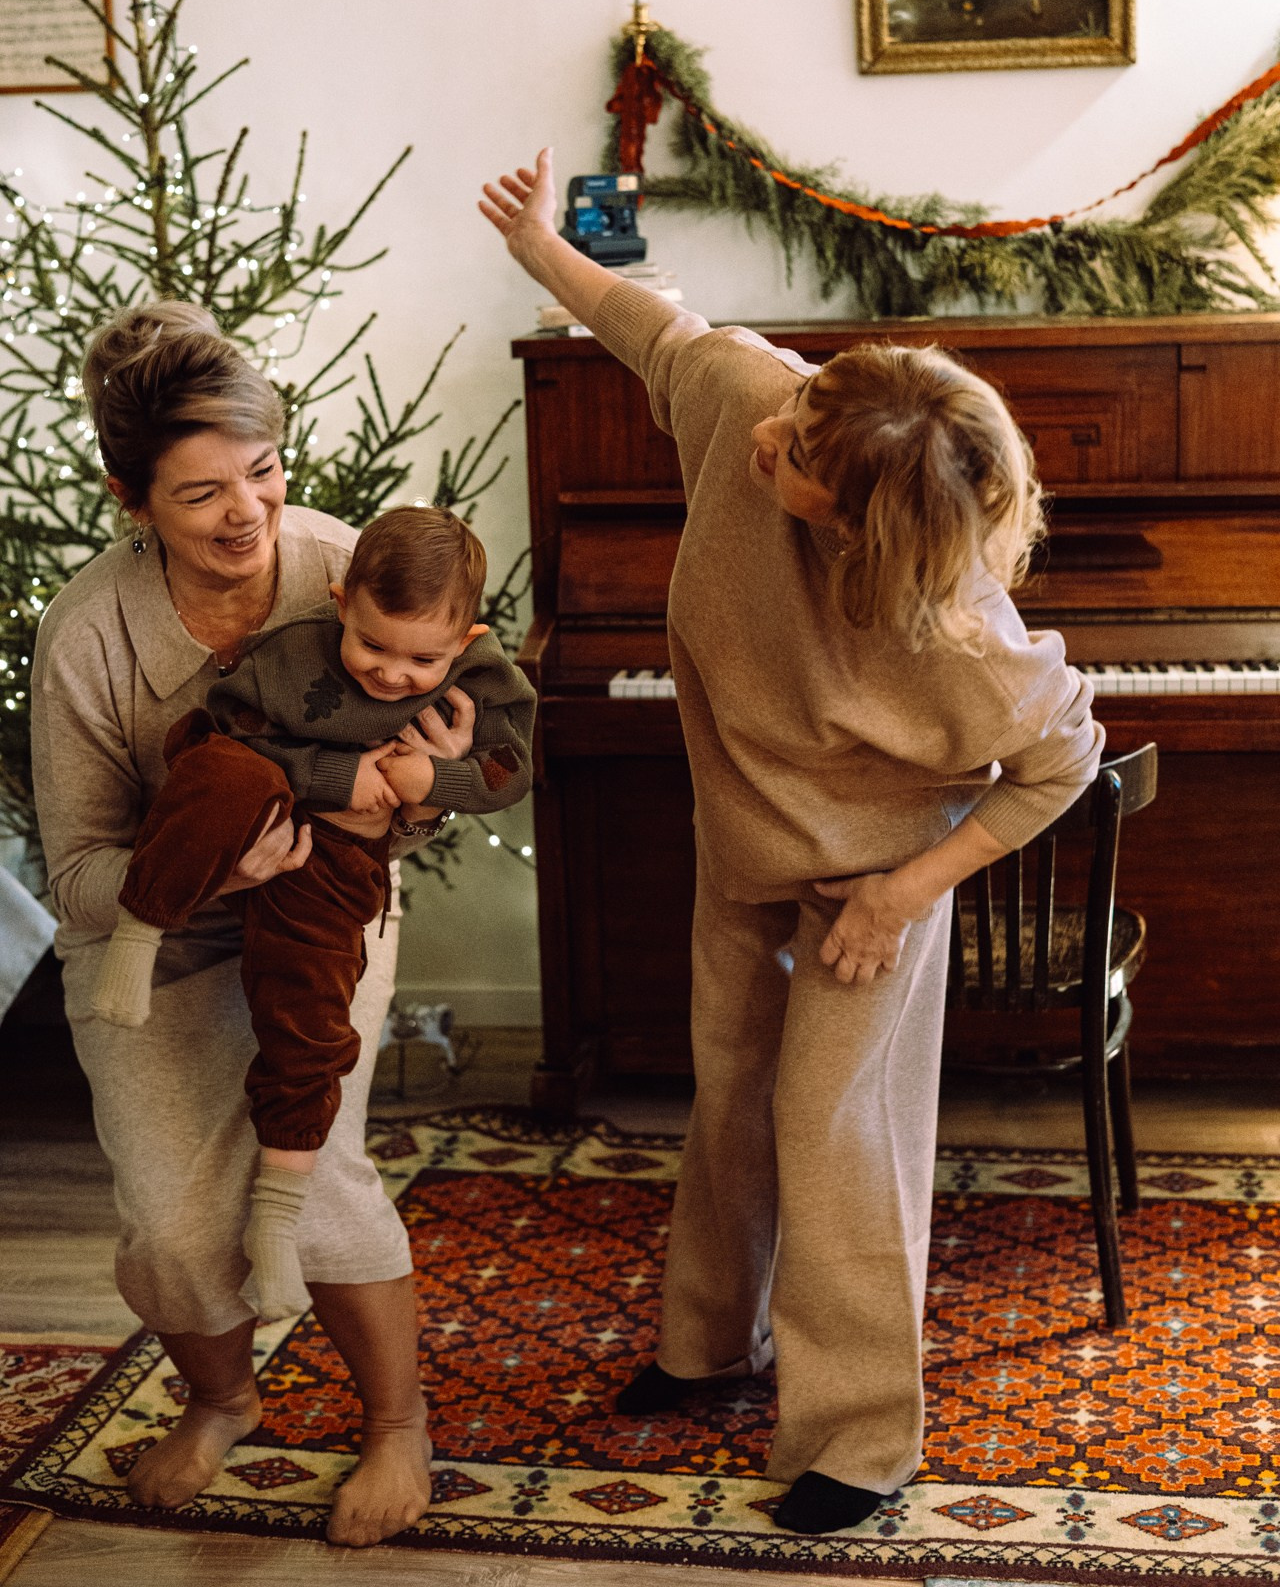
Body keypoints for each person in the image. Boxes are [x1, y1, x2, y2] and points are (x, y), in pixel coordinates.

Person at [479, 149, 1103, 1535]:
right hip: (744, 847)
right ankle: (707, 1350)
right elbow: (660, 330)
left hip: (873, 884)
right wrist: (538, 246)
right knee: (731, 1094)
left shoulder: (954, 630)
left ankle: (861, 1440)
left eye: (805, 460)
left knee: (834, 1138)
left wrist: (906, 889)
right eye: (803, 411)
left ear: (873, 525)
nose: (774, 443)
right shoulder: (756, 403)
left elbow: (1066, 759)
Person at [32, 301, 439, 1546]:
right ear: (129, 497)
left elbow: (465, 744)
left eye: (261, 471)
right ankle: (223, 1396)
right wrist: (203, 875)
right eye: (200, 491)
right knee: (165, 1210)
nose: (246, 512)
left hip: (324, 902)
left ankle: (397, 1424)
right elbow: (75, 875)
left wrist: (428, 783)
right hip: (148, 929)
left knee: (314, 1178)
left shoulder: (341, 567)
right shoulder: (87, 635)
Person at [87, 503, 535, 1323]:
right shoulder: (292, 658)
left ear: (467, 643)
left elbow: (510, 775)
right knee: (223, 773)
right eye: (372, 646)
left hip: (331, 874)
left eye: (421, 659)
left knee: (310, 1031)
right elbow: (222, 736)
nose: (392, 676)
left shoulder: (485, 685)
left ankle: (278, 1220)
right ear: (339, 603)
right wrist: (335, 780)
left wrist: (436, 783)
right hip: (256, 815)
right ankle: (138, 932)